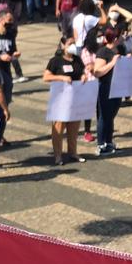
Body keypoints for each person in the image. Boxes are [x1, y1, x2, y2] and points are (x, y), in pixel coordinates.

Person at [43, 32, 89, 166]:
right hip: (60, 100)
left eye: (74, 43)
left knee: (74, 128)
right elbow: (46, 77)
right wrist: (61, 78)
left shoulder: (77, 60)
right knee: (59, 128)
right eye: (70, 44)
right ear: (63, 45)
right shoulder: (55, 61)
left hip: (75, 99)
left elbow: (81, 72)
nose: (72, 46)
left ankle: (73, 152)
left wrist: (83, 76)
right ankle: (58, 155)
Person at [92, 26, 124, 156]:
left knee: (111, 116)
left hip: (117, 86)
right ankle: (101, 144)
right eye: (120, 36)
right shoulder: (103, 52)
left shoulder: (120, 49)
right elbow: (97, 72)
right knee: (104, 116)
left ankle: (109, 141)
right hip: (105, 87)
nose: (122, 38)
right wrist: (112, 63)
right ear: (115, 38)